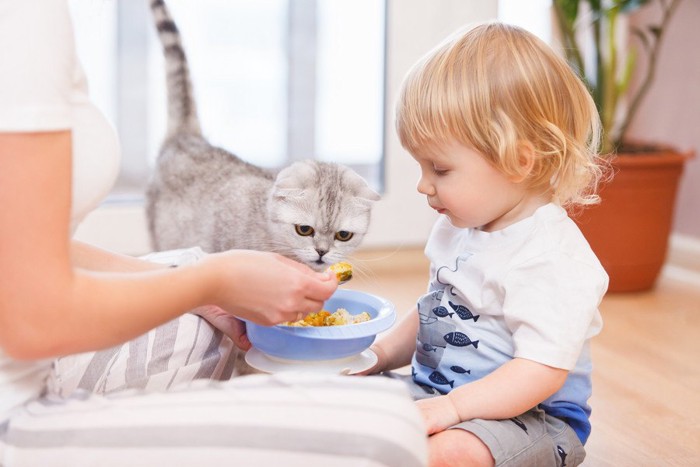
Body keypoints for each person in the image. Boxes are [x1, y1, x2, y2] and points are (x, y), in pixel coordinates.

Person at [0, 1, 428, 465]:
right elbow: (31, 323)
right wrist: (212, 280)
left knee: (224, 330)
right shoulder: (24, 21)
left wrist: (201, 286)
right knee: (390, 425)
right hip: (15, 402)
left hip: (30, 343)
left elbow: (28, 250)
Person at [364, 22, 609, 467]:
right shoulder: (459, 228)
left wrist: (454, 410)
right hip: (436, 392)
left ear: (517, 160)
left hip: (533, 418)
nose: (423, 185)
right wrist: (376, 355)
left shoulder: (551, 257)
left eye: (439, 168)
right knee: (339, 400)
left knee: (449, 452)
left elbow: (541, 371)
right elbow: (433, 310)